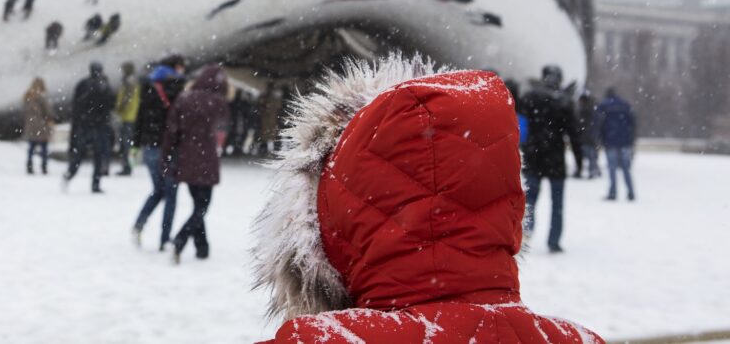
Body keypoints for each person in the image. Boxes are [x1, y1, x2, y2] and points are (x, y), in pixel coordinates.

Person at [253, 58, 603, 343]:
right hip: (553, 163)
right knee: (556, 203)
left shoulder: (318, 339)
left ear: (331, 225)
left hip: (544, 162)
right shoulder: (581, 339)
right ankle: (553, 236)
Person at [163, 65, 230, 263]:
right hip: (207, 160)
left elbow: (171, 132)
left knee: (198, 205)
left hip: (187, 160)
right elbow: (224, 129)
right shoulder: (219, 103)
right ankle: (180, 240)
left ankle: (202, 248)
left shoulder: (184, 99)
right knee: (202, 207)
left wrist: (166, 157)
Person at [520, 65, 578, 253]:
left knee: (529, 202)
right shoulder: (564, 102)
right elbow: (574, 134)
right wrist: (580, 160)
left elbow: (519, 123)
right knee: (557, 203)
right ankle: (554, 241)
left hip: (533, 156)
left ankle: (526, 236)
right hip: (555, 159)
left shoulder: (530, 97)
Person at [132, 56, 187, 250]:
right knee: (170, 194)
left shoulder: (149, 88)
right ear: (174, 68)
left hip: (149, 148)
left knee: (158, 190)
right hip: (169, 149)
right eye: (181, 67)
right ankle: (165, 239)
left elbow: (139, 119)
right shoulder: (177, 88)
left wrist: (135, 145)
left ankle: (139, 223)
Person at [63, 62, 115, 193]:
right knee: (98, 155)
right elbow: (109, 105)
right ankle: (95, 184)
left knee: (79, 153)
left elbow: (76, 105)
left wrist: (78, 121)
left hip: (85, 124)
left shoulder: (84, 84)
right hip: (99, 125)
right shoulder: (104, 85)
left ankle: (70, 174)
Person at [598, 87, 637, 201]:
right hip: (625, 141)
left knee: (612, 168)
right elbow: (632, 122)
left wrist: (601, 138)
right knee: (626, 168)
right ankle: (630, 192)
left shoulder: (604, 105)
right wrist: (630, 138)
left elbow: (599, 122)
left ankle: (613, 192)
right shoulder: (625, 105)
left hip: (610, 141)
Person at [22, 78, 55, 174]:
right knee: (44, 146)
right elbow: (48, 112)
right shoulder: (42, 97)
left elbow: (25, 111)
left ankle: (29, 165)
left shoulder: (27, 97)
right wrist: (50, 119)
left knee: (31, 146)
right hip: (41, 125)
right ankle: (44, 166)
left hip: (30, 125)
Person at [114, 62, 140, 175]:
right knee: (130, 143)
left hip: (128, 116)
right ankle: (131, 165)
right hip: (132, 116)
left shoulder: (128, 82)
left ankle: (127, 167)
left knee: (126, 144)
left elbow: (127, 99)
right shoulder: (134, 81)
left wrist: (119, 108)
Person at [578, 90, 602, 179]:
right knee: (592, 155)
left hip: (588, 137)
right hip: (589, 137)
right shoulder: (590, 110)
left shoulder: (587, 111)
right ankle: (594, 170)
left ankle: (593, 170)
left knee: (591, 155)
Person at [257, 82, 281, 155]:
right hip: (269, 120)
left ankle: (267, 150)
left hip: (270, 120)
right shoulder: (272, 97)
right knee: (270, 135)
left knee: (269, 135)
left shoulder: (271, 97)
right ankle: (269, 150)